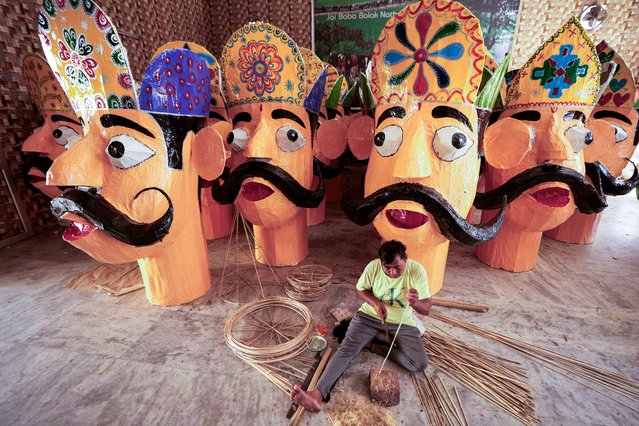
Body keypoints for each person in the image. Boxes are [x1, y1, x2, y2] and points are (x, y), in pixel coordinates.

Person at [290, 240, 431, 412]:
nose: (392, 273)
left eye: (397, 267)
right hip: (369, 316)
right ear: (381, 263)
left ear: (405, 259)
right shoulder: (373, 267)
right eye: (387, 267)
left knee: (419, 364)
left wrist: (415, 303)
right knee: (346, 348)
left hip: (402, 322)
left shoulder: (416, 271)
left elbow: (427, 309)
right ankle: (317, 395)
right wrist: (375, 303)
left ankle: (373, 345)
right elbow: (361, 289)